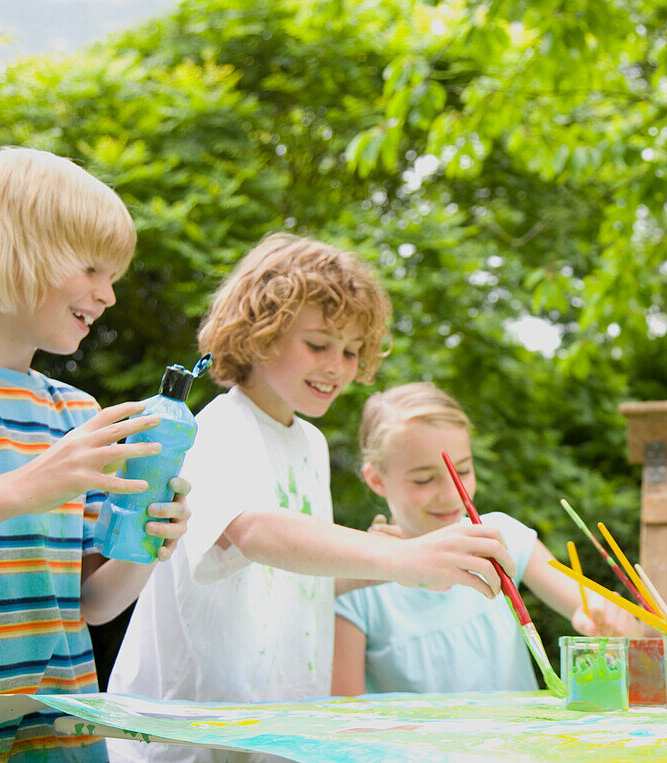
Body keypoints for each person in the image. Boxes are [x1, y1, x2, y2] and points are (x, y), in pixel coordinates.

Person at [108, 235, 514, 762]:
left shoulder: (310, 443)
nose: (338, 366)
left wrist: (376, 569)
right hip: (187, 734)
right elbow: (251, 533)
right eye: (319, 344)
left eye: (350, 351)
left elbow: (285, 576)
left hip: (271, 730)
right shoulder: (219, 426)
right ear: (259, 334)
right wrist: (402, 556)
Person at [0, 146, 191, 761]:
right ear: (7, 245)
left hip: (59, 739)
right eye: (90, 269)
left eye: (113, 276)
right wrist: (28, 486)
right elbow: (24, 490)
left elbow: (94, 602)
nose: (107, 295)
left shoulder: (75, 414)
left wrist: (149, 545)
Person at [332, 382, 637, 696]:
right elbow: (345, 718)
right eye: (424, 479)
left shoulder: (502, 537)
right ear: (376, 479)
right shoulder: (356, 582)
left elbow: (604, 611)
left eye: (462, 471)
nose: (452, 494)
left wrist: (606, 619)